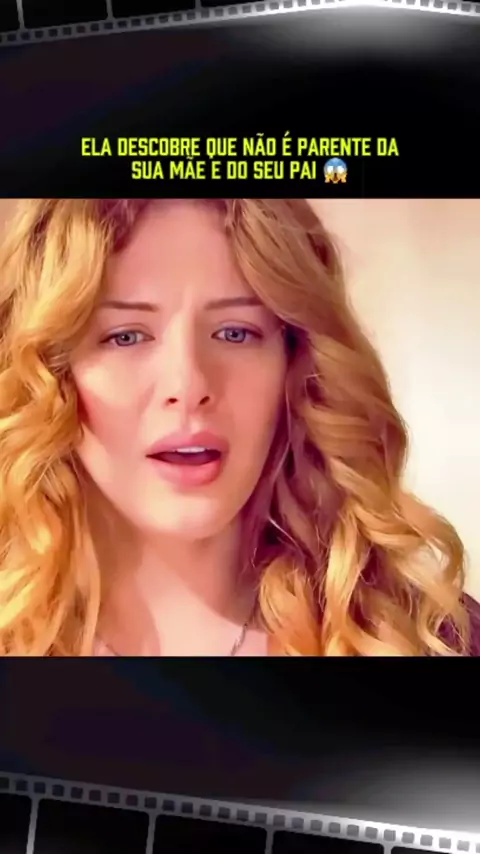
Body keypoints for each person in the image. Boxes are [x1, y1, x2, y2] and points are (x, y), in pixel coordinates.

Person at [0, 197, 478, 657]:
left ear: (297, 364)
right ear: (50, 373)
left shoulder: (430, 639)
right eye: (125, 336)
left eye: (235, 332)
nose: (188, 385)